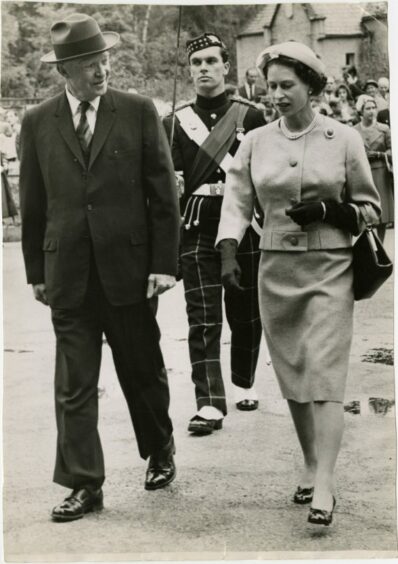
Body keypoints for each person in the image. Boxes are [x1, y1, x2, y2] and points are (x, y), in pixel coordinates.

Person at [19, 13, 180, 522]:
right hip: (67, 274)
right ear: (64, 70)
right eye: (88, 63)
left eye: (104, 59)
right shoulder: (37, 122)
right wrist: (35, 273)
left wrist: (163, 264)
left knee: (142, 372)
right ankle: (85, 483)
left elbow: (162, 194)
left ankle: (160, 447)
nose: (100, 70)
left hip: (130, 272)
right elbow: (34, 203)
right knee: (74, 385)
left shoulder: (135, 111)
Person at [216, 41, 380, 526]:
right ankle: (310, 463)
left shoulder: (343, 138)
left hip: (330, 266)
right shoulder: (256, 141)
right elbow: (238, 201)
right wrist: (228, 249)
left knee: (325, 376)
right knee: (293, 376)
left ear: (311, 85)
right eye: (272, 87)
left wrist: (333, 210)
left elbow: (372, 208)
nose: (278, 95)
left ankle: (325, 484)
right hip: (276, 268)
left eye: (288, 86)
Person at [163, 33, 265, 435]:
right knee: (202, 318)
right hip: (198, 225)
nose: (203, 68)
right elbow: (170, 186)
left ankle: (245, 380)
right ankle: (208, 403)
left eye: (210, 61)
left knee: (246, 313)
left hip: (244, 226)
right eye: (196, 63)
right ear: (190, 71)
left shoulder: (253, 116)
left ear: (226, 67)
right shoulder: (173, 123)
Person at [354, 95, 393, 242]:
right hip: (362, 173)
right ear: (361, 111)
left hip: (380, 172)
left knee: (382, 215)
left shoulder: (384, 129)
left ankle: (381, 246)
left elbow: (392, 151)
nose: (372, 111)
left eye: (373, 107)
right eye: (368, 108)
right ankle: (368, 246)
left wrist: (378, 154)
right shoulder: (354, 131)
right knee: (365, 211)